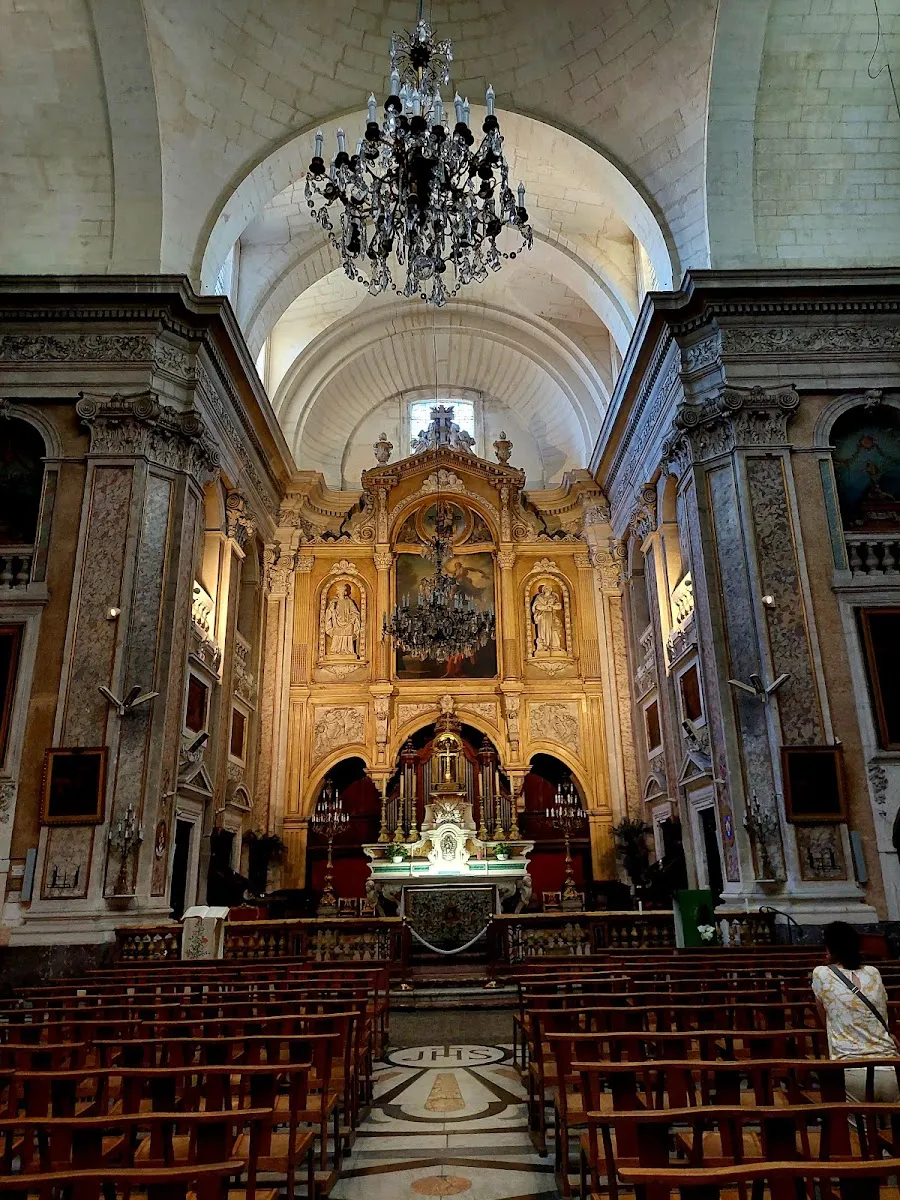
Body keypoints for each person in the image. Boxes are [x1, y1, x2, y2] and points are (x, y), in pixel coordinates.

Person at [811, 921, 900, 1102]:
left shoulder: (821, 973)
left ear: (829, 947)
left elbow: (824, 1017)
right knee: (892, 1129)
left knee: (857, 1129)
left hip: (851, 1066)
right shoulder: (873, 972)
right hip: (890, 1066)